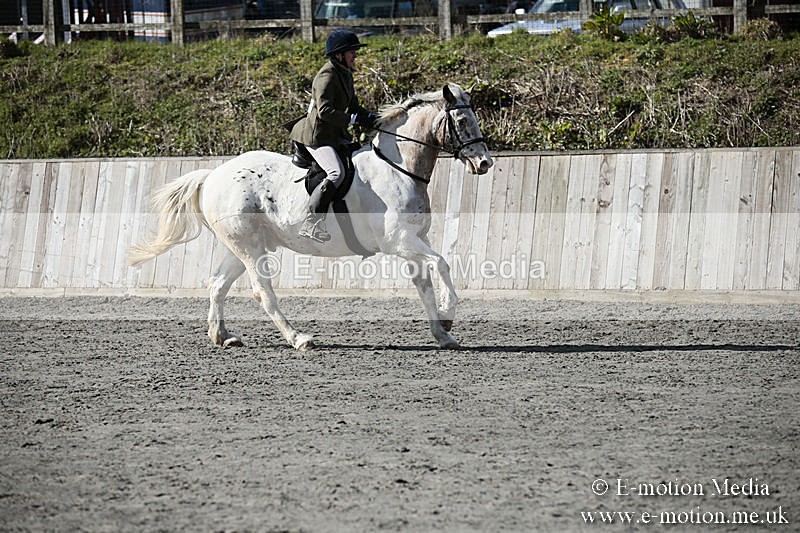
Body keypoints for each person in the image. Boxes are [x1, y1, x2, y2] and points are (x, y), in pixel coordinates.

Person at [290, 30, 379, 243]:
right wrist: (350, 120)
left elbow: (355, 107)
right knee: (336, 173)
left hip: (334, 133)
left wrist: (375, 120)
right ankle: (311, 222)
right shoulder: (327, 75)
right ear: (339, 55)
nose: (355, 55)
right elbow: (324, 111)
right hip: (316, 136)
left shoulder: (346, 73)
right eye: (352, 52)